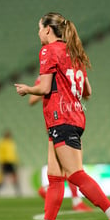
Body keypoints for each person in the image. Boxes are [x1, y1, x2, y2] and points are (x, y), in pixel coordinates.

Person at [15, 12, 110, 220]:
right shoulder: (74, 52)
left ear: (48, 29)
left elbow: (45, 88)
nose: (38, 33)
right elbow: (88, 91)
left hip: (61, 119)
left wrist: (27, 89)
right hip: (72, 117)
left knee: (75, 174)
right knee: (55, 177)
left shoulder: (48, 50)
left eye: (39, 28)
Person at [30, 76, 92, 212]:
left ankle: (50, 191)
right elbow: (32, 99)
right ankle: (76, 202)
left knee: (69, 167)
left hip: (70, 120)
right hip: (59, 122)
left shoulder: (66, 73)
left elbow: (86, 95)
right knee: (73, 166)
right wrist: (46, 89)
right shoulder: (46, 76)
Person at [0, 129, 21, 196]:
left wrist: (17, 161)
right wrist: (0, 162)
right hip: (4, 162)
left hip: (11, 162)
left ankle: (18, 192)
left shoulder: (11, 142)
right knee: (1, 178)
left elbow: (14, 154)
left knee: (15, 177)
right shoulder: (1, 143)